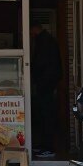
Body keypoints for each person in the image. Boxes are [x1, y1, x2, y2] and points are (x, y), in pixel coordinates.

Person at [29, 22, 62, 158]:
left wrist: (35, 78)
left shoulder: (44, 41)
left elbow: (41, 63)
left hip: (46, 84)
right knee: (44, 115)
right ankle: (43, 146)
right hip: (48, 83)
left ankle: (48, 148)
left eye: (31, 31)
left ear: (35, 28)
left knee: (46, 115)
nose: (30, 35)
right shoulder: (46, 39)